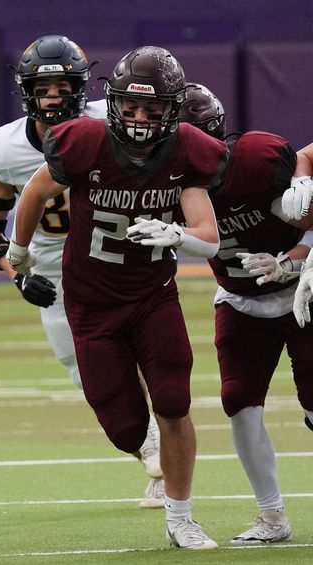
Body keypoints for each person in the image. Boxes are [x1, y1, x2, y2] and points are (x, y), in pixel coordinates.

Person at [6, 46, 226, 549]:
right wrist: (19, 251)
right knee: (126, 429)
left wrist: (179, 238)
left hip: (153, 296)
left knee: (173, 402)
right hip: (90, 303)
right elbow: (36, 193)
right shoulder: (83, 140)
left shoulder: (189, 148)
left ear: (173, 108)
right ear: (113, 102)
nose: (139, 117)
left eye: (152, 108)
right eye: (130, 106)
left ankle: (181, 515)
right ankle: (150, 465)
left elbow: (208, 236)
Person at [0, 35, 163, 508]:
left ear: (81, 87)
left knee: (155, 361)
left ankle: (166, 461)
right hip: (57, 272)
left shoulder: (115, 120)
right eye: (44, 86)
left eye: (63, 85)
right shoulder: (5, 148)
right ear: (27, 91)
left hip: (123, 254)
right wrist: (16, 273)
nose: (53, 95)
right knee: (90, 375)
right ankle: (149, 449)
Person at [180, 83, 313, 544]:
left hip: (304, 293)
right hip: (239, 299)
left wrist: (291, 261)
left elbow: (311, 221)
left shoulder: (256, 162)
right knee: (239, 403)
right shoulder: (165, 182)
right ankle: (272, 517)